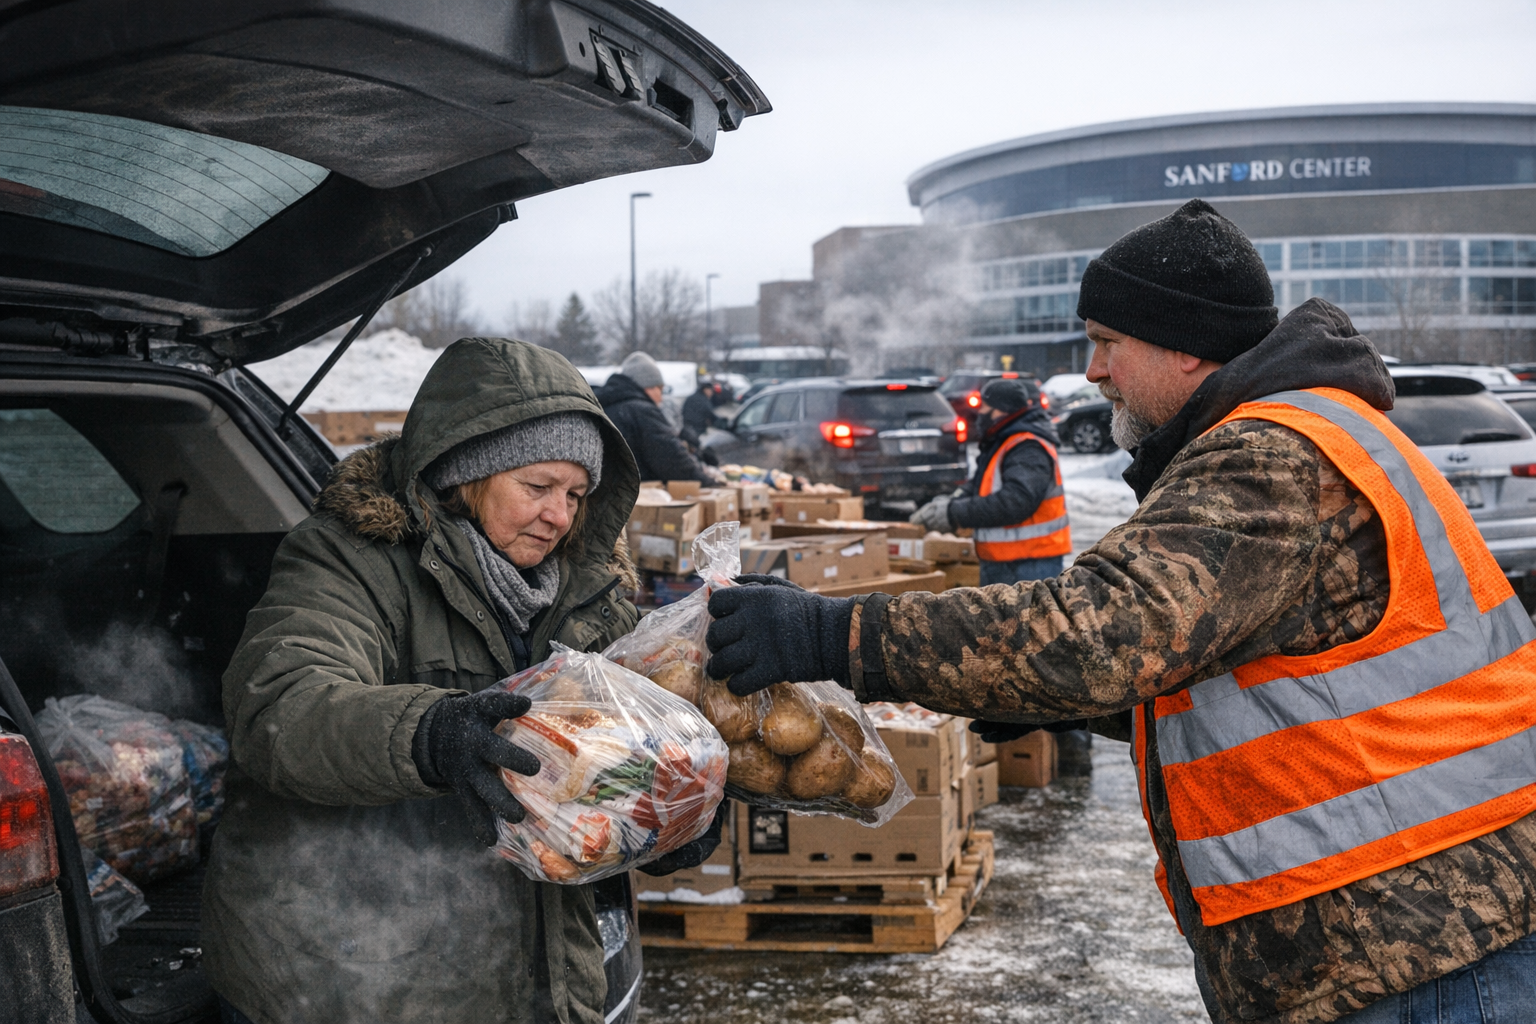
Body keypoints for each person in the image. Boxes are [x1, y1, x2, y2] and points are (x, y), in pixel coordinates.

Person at [700, 200, 1536, 1024]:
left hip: (1421, 936)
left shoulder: (1267, 455)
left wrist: (836, 635)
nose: (1094, 370)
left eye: (1107, 343)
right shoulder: (1301, 434)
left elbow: (1099, 633)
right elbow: (1250, 676)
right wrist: (1013, 695)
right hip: (1401, 922)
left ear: (1185, 347)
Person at [202, 337, 720, 1024]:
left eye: (575, 494)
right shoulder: (353, 560)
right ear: (463, 474)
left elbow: (621, 753)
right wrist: (427, 734)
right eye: (537, 488)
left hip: (536, 970)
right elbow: (281, 705)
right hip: (349, 975)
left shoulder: (590, 595)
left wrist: (667, 814)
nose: (560, 516)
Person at [909, 376, 1070, 585]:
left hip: (1029, 564)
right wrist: (949, 504)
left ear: (1001, 409)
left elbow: (1016, 501)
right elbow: (980, 484)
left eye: (984, 407)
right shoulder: (1004, 439)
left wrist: (953, 513)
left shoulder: (1027, 447)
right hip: (1004, 561)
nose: (980, 414)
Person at [596, 351, 711, 483]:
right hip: (639, 495)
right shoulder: (642, 411)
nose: (661, 398)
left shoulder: (605, 407)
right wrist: (707, 482)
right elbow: (671, 459)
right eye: (660, 390)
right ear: (648, 386)